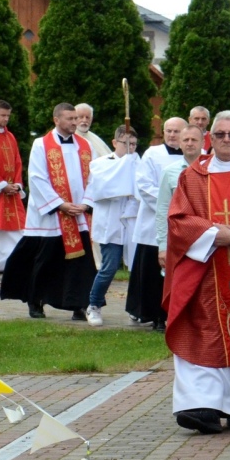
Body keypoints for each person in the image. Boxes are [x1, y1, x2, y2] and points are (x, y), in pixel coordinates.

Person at [163, 111, 230, 435]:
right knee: (201, 330)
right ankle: (201, 405)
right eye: (220, 134)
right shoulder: (192, 177)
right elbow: (178, 219)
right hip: (204, 273)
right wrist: (214, 235)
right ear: (210, 138)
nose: (226, 140)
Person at [0, 103, 96, 320]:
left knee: (78, 264)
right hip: (49, 217)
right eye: (70, 119)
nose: (75, 122)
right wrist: (60, 204)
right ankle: (36, 301)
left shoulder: (85, 145)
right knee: (43, 261)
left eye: (76, 118)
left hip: (77, 213)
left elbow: (93, 177)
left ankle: (78, 304)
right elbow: (36, 177)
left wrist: (86, 203)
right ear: (56, 120)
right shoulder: (41, 144)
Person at [127, 117, 186, 329]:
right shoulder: (152, 153)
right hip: (153, 223)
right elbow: (143, 184)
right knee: (152, 274)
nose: (172, 135)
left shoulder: (196, 156)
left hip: (184, 222)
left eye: (176, 131)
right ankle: (153, 315)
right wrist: (170, 206)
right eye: (168, 131)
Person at [82, 126, 140, 326]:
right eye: (125, 143)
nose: (130, 148)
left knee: (137, 267)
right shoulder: (100, 164)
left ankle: (136, 307)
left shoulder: (138, 163)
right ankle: (94, 304)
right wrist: (127, 165)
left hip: (132, 223)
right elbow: (105, 187)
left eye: (133, 144)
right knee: (110, 266)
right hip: (110, 223)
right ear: (115, 143)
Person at [0, 100, 26, 273]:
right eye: (2, 115)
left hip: (9, 192)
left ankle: (12, 263)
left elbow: (17, 161)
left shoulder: (10, 136)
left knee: (16, 229)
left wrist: (16, 184)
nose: (6, 119)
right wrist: (1, 185)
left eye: (8, 115)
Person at [156, 125, 205, 262]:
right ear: (180, 144)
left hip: (209, 239)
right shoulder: (169, 172)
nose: (190, 143)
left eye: (194, 140)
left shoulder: (213, 169)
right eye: (186, 140)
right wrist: (163, 246)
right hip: (179, 241)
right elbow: (163, 209)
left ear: (203, 143)